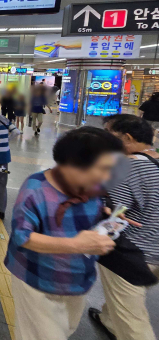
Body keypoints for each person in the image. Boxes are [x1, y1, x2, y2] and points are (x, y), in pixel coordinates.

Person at [5, 127, 126, 340]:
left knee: (66, 328)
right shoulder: (35, 189)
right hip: (37, 279)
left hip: (78, 278)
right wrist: (76, 245)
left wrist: (109, 219)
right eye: (103, 168)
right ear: (73, 164)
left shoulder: (93, 189)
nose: (109, 176)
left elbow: (88, 218)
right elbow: (22, 236)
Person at [89, 115, 159, 340]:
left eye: (108, 133)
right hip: (155, 249)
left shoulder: (124, 168)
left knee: (133, 325)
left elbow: (115, 214)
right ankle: (109, 320)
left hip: (133, 253)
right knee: (123, 301)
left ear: (127, 138)